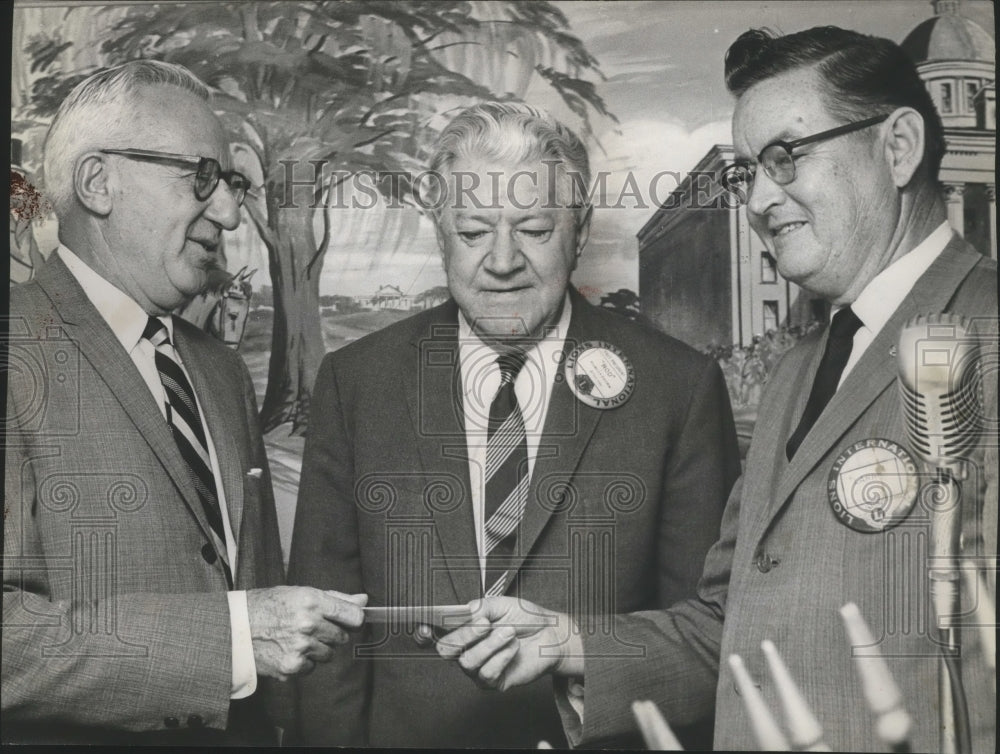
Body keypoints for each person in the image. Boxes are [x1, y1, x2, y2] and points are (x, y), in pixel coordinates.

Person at [435, 27, 998, 752]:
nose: (761, 199)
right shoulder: (799, 370)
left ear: (897, 147)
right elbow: (728, 625)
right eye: (748, 173)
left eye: (786, 158)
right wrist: (568, 644)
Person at [287, 101, 741, 748]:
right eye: (473, 232)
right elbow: (324, 636)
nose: (502, 261)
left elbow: (706, 639)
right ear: (438, 234)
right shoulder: (356, 384)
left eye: (532, 229)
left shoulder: (679, 389)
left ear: (578, 231)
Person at [2, 60, 366, 745]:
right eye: (201, 177)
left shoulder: (220, 371)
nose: (229, 213)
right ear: (98, 183)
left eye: (230, 184)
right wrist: (230, 640)